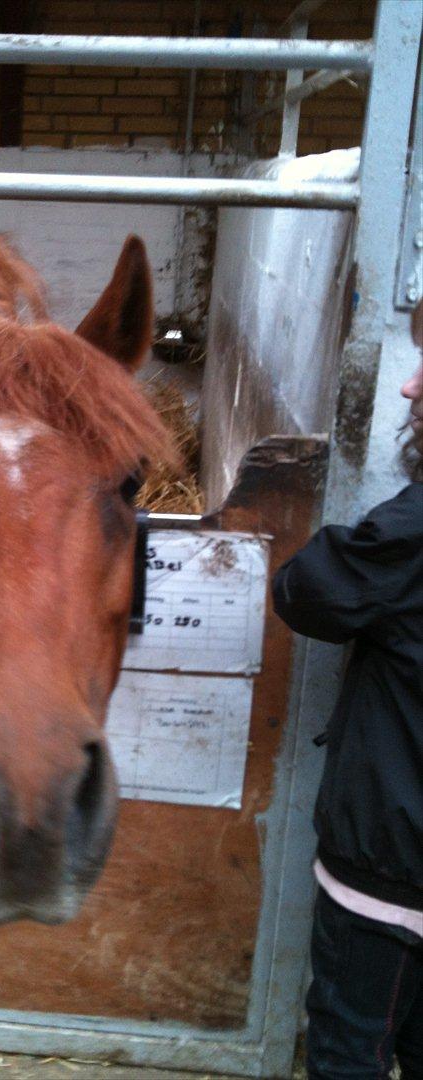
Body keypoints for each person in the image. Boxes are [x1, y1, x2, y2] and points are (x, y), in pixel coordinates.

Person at [271, 306, 422, 1079]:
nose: (407, 386)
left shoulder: (413, 532)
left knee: (348, 1049)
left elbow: (306, 592)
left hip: (392, 874)